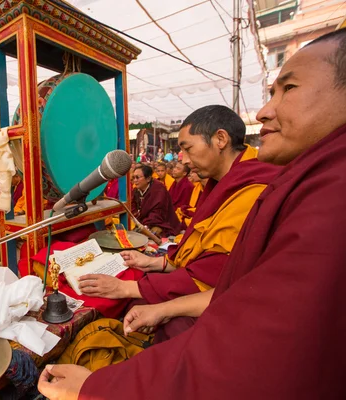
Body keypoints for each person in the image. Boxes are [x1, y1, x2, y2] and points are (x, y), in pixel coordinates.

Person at [38, 28, 346, 400]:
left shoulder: (321, 192)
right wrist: (161, 264)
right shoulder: (263, 182)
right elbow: (233, 285)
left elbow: (257, 339)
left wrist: (99, 388)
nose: (265, 112)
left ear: (218, 140)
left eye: (290, 88)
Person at [79, 105, 280, 315]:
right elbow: (201, 249)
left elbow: (216, 272)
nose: (183, 159)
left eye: (188, 148)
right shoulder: (222, 183)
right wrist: (155, 263)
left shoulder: (254, 188)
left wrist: (125, 288)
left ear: (220, 139)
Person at [130, 164, 180, 237]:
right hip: (143, 220)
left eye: (137, 177)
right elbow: (133, 207)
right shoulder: (136, 190)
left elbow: (158, 213)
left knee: (154, 231)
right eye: (133, 178)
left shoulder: (159, 189)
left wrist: (144, 225)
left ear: (148, 179)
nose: (135, 180)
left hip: (160, 221)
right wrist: (135, 218)